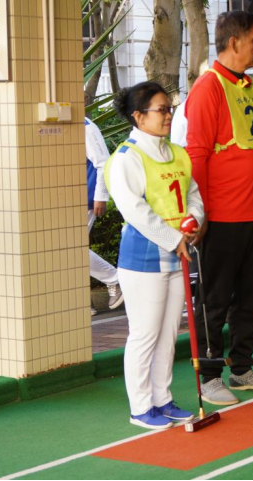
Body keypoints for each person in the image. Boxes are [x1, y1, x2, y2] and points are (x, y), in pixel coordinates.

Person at [185, 11, 253, 406]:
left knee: (251, 296)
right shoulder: (207, 88)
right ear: (234, 43)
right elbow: (196, 155)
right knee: (215, 299)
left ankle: (242, 368)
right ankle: (209, 375)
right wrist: (200, 213)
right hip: (220, 217)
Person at [105, 82, 203, 430]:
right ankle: (141, 407)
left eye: (169, 108)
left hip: (179, 251)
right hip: (144, 258)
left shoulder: (177, 152)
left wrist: (194, 223)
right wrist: (174, 238)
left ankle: (163, 398)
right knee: (145, 334)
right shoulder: (126, 158)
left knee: (167, 334)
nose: (168, 115)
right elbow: (135, 210)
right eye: (161, 109)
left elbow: (193, 194)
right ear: (138, 116)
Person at [85, 116, 123, 315]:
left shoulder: (85, 126)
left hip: (86, 196)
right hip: (66, 198)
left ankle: (115, 279)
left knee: (71, 248)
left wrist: (101, 196)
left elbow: (103, 163)